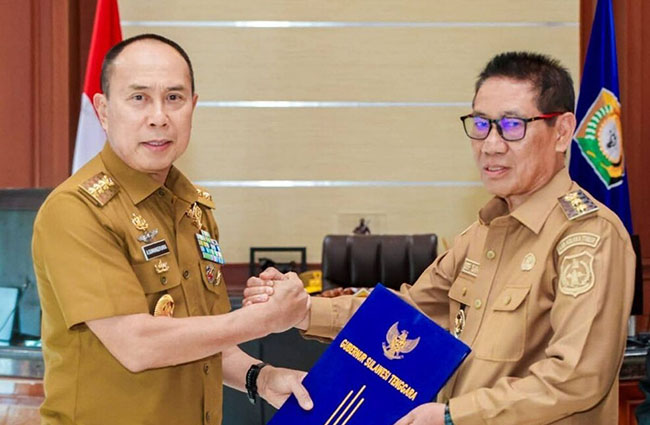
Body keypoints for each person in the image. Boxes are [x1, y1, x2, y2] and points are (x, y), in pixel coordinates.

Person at [244, 51, 635, 424]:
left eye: (513, 126)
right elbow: (409, 315)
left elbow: (576, 378)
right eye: (481, 124)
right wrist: (303, 310)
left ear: (561, 131)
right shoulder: (482, 234)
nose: (491, 144)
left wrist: (453, 416)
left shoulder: (589, 236)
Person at [32, 33, 313, 425]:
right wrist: (264, 319)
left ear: (193, 107)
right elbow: (137, 345)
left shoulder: (193, 208)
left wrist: (262, 378)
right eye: (139, 98)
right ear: (103, 110)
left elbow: (207, 339)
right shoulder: (76, 210)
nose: (159, 117)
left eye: (174, 98)